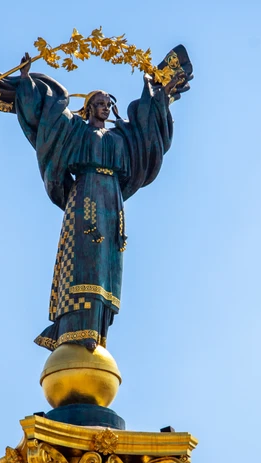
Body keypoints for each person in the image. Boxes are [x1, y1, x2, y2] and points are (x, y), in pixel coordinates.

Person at [14, 51, 190, 352]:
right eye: (99, 104)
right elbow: (47, 116)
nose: (105, 108)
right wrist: (27, 79)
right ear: (89, 107)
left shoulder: (122, 137)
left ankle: (97, 330)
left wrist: (158, 92)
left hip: (112, 202)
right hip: (85, 197)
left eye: (108, 104)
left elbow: (148, 131)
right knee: (84, 262)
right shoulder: (76, 130)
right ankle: (74, 328)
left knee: (106, 265)